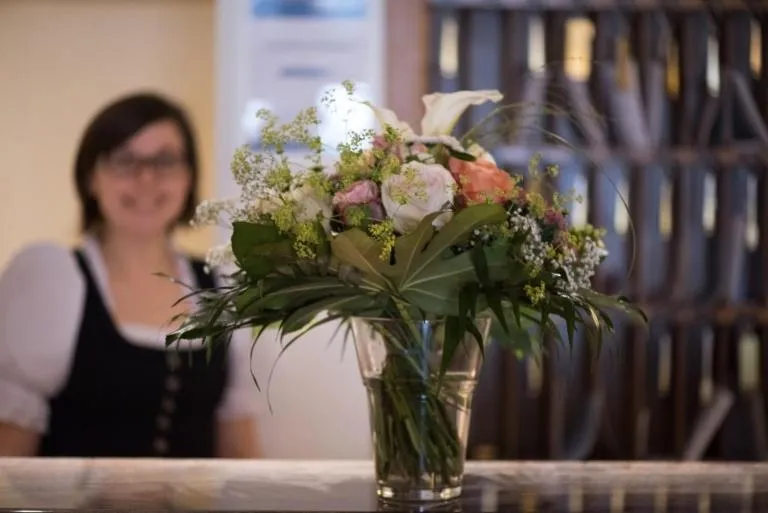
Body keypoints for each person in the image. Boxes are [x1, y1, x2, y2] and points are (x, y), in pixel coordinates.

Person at [0, 92, 261, 457]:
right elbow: (10, 460)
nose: (146, 178)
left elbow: (240, 452)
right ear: (92, 178)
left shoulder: (223, 288)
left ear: (188, 177)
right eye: (125, 161)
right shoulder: (49, 282)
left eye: (165, 161)